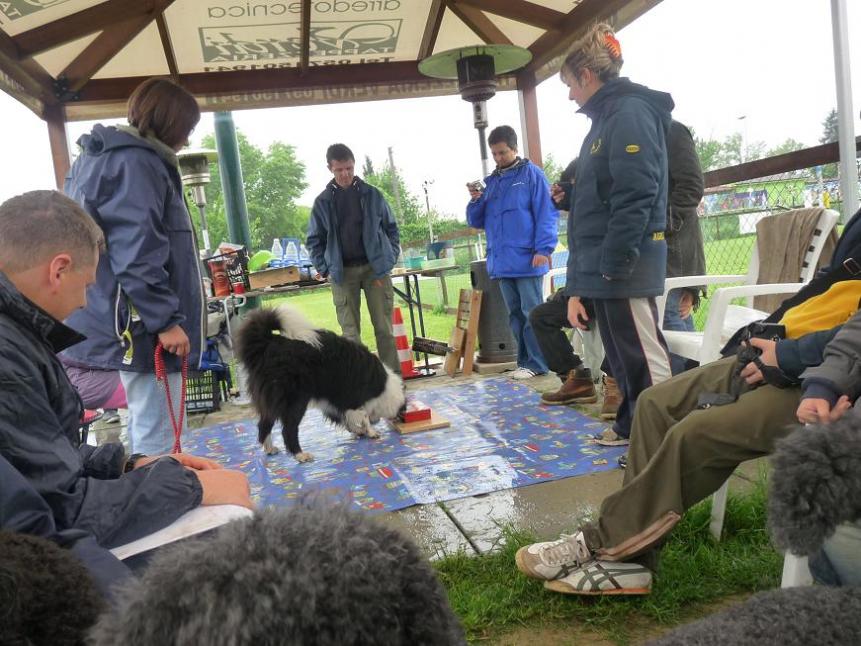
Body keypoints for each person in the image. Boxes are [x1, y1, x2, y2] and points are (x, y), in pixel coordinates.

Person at [514, 281, 861, 595]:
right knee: (654, 403)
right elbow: (828, 296)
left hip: (823, 375)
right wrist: (765, 339)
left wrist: (799, 362)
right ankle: (633, 561)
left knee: (694, 433)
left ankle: (603, 540)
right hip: (787, 348)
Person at [0, 190, 252, 567]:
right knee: (233, 524)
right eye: (86, 284)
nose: (85, 301)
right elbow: (58, 511)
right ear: (58, 270)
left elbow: (39, 459)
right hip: (33, 566)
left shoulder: (17, 335)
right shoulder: (8, 354)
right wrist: (190, 487)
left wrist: (126, 465)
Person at [62, 77, 205, 456]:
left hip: (112, 320)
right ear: (170, 121)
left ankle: (154, 495)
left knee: (146, 423)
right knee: (160, 431)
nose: (187, 139)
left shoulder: (102, 158)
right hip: (138, 326)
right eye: (186, 129)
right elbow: (138, 251)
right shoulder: (137, 162)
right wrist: (166, 320)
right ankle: (166, 506)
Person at [534, 118, 704, 411]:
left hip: (668, 263)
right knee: (641, 337)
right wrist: (572, 198)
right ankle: (649, 411)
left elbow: (689, 190)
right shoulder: (619, 145)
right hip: (622, 268)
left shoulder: (670, 133)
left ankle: (677, 412)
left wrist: (652, 226)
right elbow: (607, 207)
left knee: (671, 340)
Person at [558, 23, 673, 445]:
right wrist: (572, 194)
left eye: (570, 84)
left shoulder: (629, 113)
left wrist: (618, 258)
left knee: (641, 353)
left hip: (624, 260)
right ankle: (633, 425)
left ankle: (662, 439)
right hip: (609, 261)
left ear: (587, 76)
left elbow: (638, 190)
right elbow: (611, 189)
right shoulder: (608, 118)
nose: (570, 94)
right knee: (623, 356)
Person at [466, 125, 558, 380]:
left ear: (515, 149)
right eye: (494, 154)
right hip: (502, 262)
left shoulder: (533, 176)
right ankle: (524, 361)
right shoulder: (491, 183)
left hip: (528, 258)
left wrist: (544, 248)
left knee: (532, 314)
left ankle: (538, 363)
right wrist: (475, 199)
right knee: (514, 315)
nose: (498, 158)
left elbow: (546, 213)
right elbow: (477, 221)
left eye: (502, 153)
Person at [306, 143, 401, 374]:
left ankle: (394, 382)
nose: (345, 174)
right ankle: (360, 385)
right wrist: (325, 269)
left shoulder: (373, 195)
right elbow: (313, 240)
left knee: (384, 329)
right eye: (339, 170)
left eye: (349, 168)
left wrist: (388, 260)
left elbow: (391, 228)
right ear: (330, 168)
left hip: (375, 270)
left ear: (354, 165)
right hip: (342, 273)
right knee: (350, 334)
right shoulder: (322, 202)